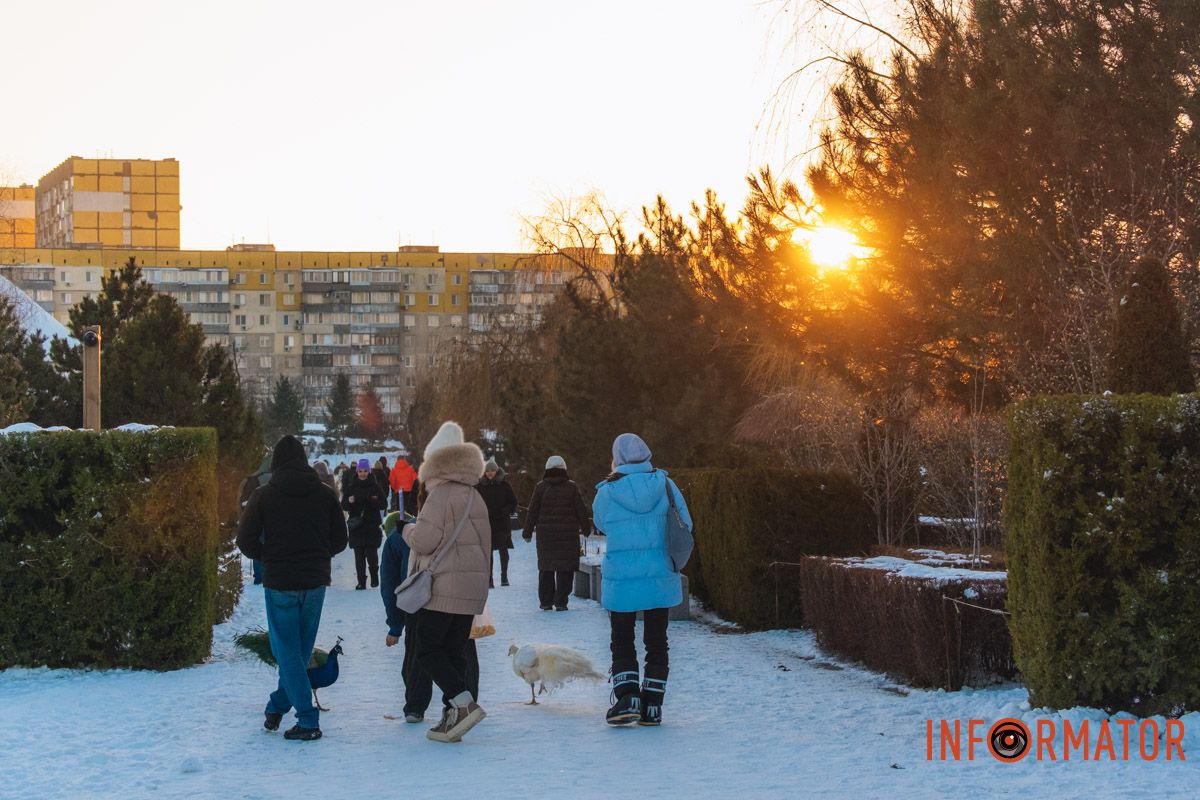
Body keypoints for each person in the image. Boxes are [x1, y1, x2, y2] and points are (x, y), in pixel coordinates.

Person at [236, 435, 348, 741]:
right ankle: (276, 706)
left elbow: (244, 542)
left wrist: (269, 557)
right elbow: (340, 540)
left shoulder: (263, 495)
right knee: (297, 652)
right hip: (315, 584)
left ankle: (308, 720)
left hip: (281, 583)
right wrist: (317, 555)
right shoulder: (325, 495)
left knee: (286, 651)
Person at [592, 433, 692, 728]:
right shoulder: (665, 484)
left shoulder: (607, 491)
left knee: (621, 639)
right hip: (659, 574)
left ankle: (627, 698)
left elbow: (599, 522)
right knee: (657, 640)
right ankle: (652, 705)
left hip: (622, 578)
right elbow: (686, 522)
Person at [403, 420, 490, 742]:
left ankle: (462, 704)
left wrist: (405, 530)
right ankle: (452, 716)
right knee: (455, 653)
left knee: (426, 650)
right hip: (470, 588)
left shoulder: (438, 496)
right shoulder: (473, 496)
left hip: (441, 588)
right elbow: (485, 545)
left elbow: (424, 541)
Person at [523, 455, 590, 611]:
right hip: (567, 535)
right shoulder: (571, 487)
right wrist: (586, 529)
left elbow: (532, 511)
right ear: (563, 469)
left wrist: (527, 532)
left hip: (546, 536)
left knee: (546, 568)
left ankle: (546, 601)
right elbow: (581, 510)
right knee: (565, 568)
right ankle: (561, 601)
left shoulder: (540, 487)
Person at [342, 457, 386, 590]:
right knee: (359, 555)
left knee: (372, 554)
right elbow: (343, 505)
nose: (362, 473)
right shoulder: (351, 487)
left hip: (372, 525)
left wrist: (373, 501)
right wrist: (349, 502)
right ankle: (361, 581)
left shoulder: (375, 487)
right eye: (360, 471)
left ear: (369, 471)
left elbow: (384, 504)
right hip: (357, 526)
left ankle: (374, 577)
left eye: (365, 471)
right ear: (357, 472)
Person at [477, 458, 518, 588]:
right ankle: (489, 579)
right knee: (487, 552)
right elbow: (475, 503)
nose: (490, 473)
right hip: (486, 523)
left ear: (497, 471)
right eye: (487, 470)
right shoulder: (479, 486)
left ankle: (504, 576)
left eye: (492, 470)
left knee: (503, 549)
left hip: (502, 523)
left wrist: (504, 511)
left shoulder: (504, 485)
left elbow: (513, 502)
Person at [238, 453, 272, 584]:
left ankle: (260, 577)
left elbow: (244, 501)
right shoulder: (283, 478)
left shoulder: (253, 479)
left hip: (258, 520)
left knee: (259, 548)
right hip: (277, 520)